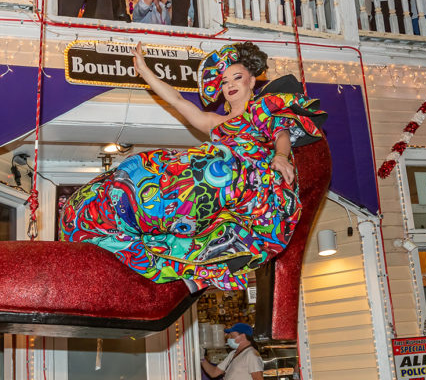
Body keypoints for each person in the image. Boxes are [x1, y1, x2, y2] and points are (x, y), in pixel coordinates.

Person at [60, 42, 326, 291]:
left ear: (252, 80)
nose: (230, 85)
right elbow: (177, 100)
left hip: (247, 186)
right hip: (213, 183)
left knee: (210, 166)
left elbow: (281, 133)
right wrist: (145, 73)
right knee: (144, 166)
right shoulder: (215, 123)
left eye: (236, 77)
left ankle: (191, 231)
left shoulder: (261, 110)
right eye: (224, 81)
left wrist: (280, 156)